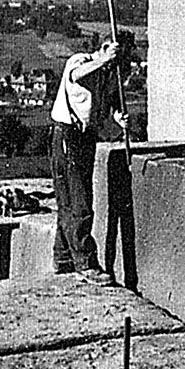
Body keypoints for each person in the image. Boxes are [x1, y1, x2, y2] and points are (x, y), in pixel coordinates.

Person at [49, 32, 133, 285]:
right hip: (67, 134)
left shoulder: (109, 74)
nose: (123, 63)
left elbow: (111, 104)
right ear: (106, 48)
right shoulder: (80, 61)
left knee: (70, 200)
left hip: (86, 137)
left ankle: (63, 257)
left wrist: (119, 118)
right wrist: (105, 59)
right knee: (79, 202)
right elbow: (77, 76)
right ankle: (85, 264)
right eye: (120, 55)